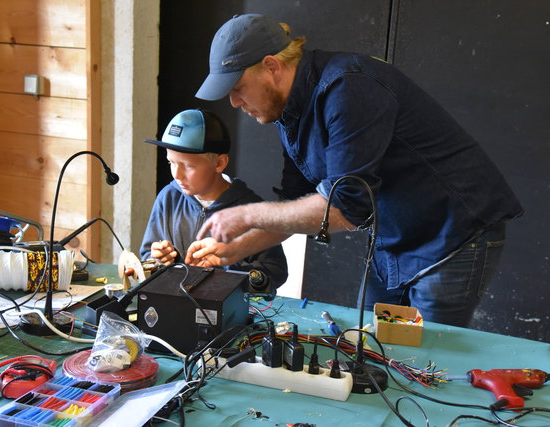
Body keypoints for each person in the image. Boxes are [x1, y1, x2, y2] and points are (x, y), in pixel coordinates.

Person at [186, 14, 523, 327]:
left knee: (427, 362)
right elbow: (294, 207)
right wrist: (234, 251)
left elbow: (343, 209)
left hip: (453, 235)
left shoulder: (349, 86)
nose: (233, 102)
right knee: (374, 347)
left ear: (271, 66)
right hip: (395, 241)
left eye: (238, 88)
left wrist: (246, 216)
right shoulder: (288, 111)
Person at [139, 108, 288, 297]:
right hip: (176, 305)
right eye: (172, 163)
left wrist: (227, 268)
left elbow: (274, 275)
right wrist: (159, 260)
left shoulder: (252, 210)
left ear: (219, 163)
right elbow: (146, 257)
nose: (177, 175)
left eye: (187, 166)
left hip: (228, 313)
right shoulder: (168, 197)